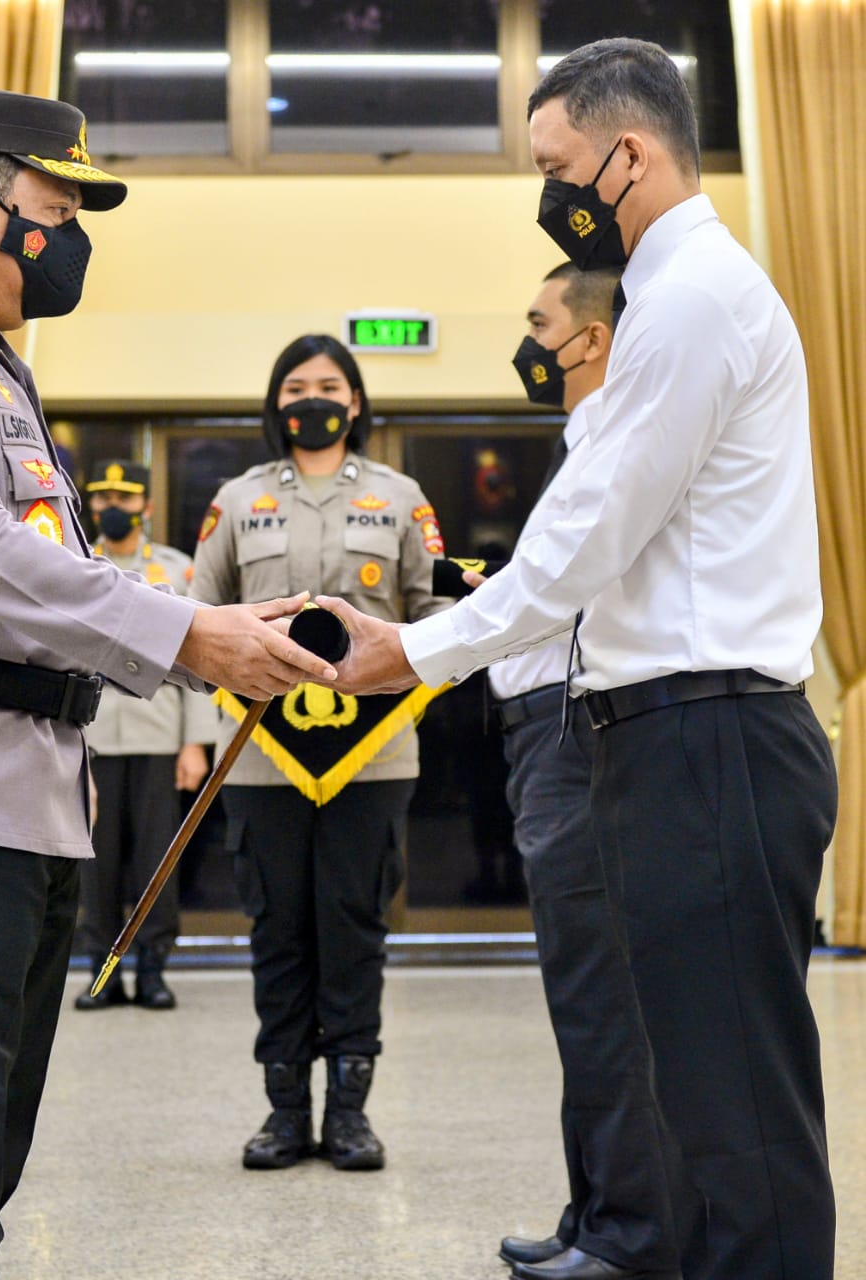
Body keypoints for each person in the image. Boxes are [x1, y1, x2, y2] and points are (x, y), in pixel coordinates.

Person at [312, 39, 836, 1280]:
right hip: (673, 739)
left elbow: (587, 543)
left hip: (709, 737)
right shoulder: (673, 298)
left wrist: (415, 650)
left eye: (556, 169)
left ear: (628, 155)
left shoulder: (691, 299)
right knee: (695, 1101)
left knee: (738, 1117)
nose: (549, 196)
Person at [0, 88, 335, 1280]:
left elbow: (46, 579)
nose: (71, 240)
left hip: (15, 805)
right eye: (57, 210)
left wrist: (191, 634)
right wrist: (189, 634)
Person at [190, 333, 450, 1172]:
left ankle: (349, 1113)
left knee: (354, 924)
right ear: (276, 402)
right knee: (278, 930)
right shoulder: (237, 500)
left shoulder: (400, 498)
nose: (314, 399)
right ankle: (283, 1111)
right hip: (260, 756)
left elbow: (437, 619)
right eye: (297, 385)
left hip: (374, 753)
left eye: (330, 386)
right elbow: (199, 617)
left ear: (356, 402)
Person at [489, 263, 687, 1280]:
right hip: (544, 733)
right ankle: (595, 1210)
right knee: (581, 994)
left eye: (539, 323)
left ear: (592, 337)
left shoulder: (613, 433)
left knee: (602, 994)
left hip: (575, 733)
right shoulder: (585, 437)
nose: (528, 343)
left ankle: (630, 1234)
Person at [74, 459, 217, 1011]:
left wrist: (195, 742)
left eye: (125, 499)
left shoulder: (175, 570)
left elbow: (197, 660)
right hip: (90, 738)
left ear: (146, 507)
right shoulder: (73, 563)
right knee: (96, 862)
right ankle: (101, 971)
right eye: (103, 498)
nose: (112, 508)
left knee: (158, 859)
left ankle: (154, 968)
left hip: (160, 737)